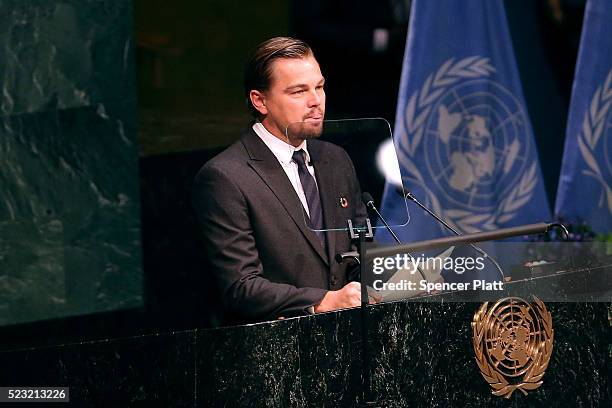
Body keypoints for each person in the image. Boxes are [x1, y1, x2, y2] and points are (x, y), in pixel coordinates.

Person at [192, 37, 368, 323]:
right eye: (299, 91)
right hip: (278, 353)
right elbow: (241, 286)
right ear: (260, 101)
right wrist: (323, 301)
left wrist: (403, 280)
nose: (316, 101)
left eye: (319, 87)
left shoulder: (336, 160)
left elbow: (359, 253)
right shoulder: (225, 177)